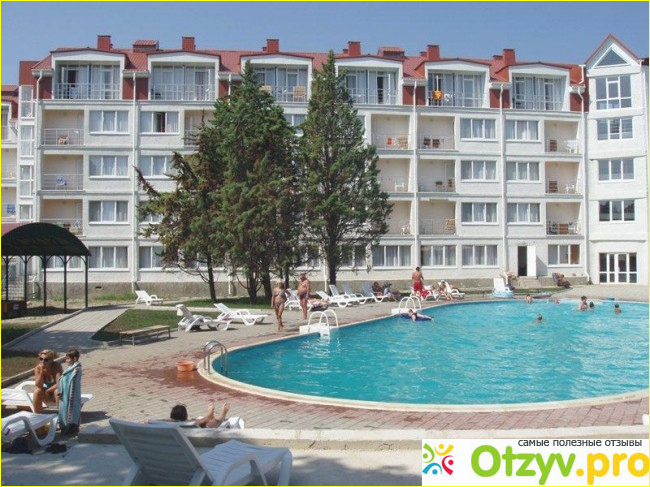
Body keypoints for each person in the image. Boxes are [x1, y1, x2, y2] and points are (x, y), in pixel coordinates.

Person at [58, 348, 82, 435]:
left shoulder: (76, 369)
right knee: (64, 409)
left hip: (71, 394)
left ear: (74, 359)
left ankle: (72, 427)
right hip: (65, 394)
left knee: (71, 410)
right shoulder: (71, 368)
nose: (66, 361)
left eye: (68, 359)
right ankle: (65, 427)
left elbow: (72, 382)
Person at [33, 349, 63, 413]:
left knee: (57, 391)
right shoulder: (38, 368)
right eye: (41, 359)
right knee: (37, 391)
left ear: (51, 360)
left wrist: (48, 391)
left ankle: (61, 415)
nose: (43, 361)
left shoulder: (56, 366)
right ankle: (37, 415)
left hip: (55, 391)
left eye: (46, 360)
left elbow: (59, 383)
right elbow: (38, 385)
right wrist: (41, 372)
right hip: (45, 392)